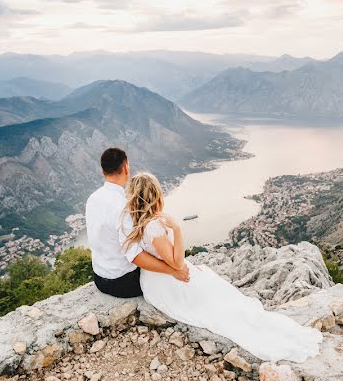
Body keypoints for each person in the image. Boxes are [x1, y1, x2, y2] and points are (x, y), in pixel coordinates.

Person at [121, 172, 323, 362]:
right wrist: (177, 228)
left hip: (153, 279)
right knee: (221, 302)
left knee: (213, 287)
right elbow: (177, 263)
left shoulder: (137, 222)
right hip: (165, 285)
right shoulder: (154, 226)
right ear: (156, 195)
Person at [85, 148, 190, 298]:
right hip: (122, 282)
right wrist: (173, 271)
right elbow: (135, 256)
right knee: (176, 280)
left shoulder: (92, 199)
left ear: (103, 171)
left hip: (99, 277)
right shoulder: (123, 207)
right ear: (126, 167)